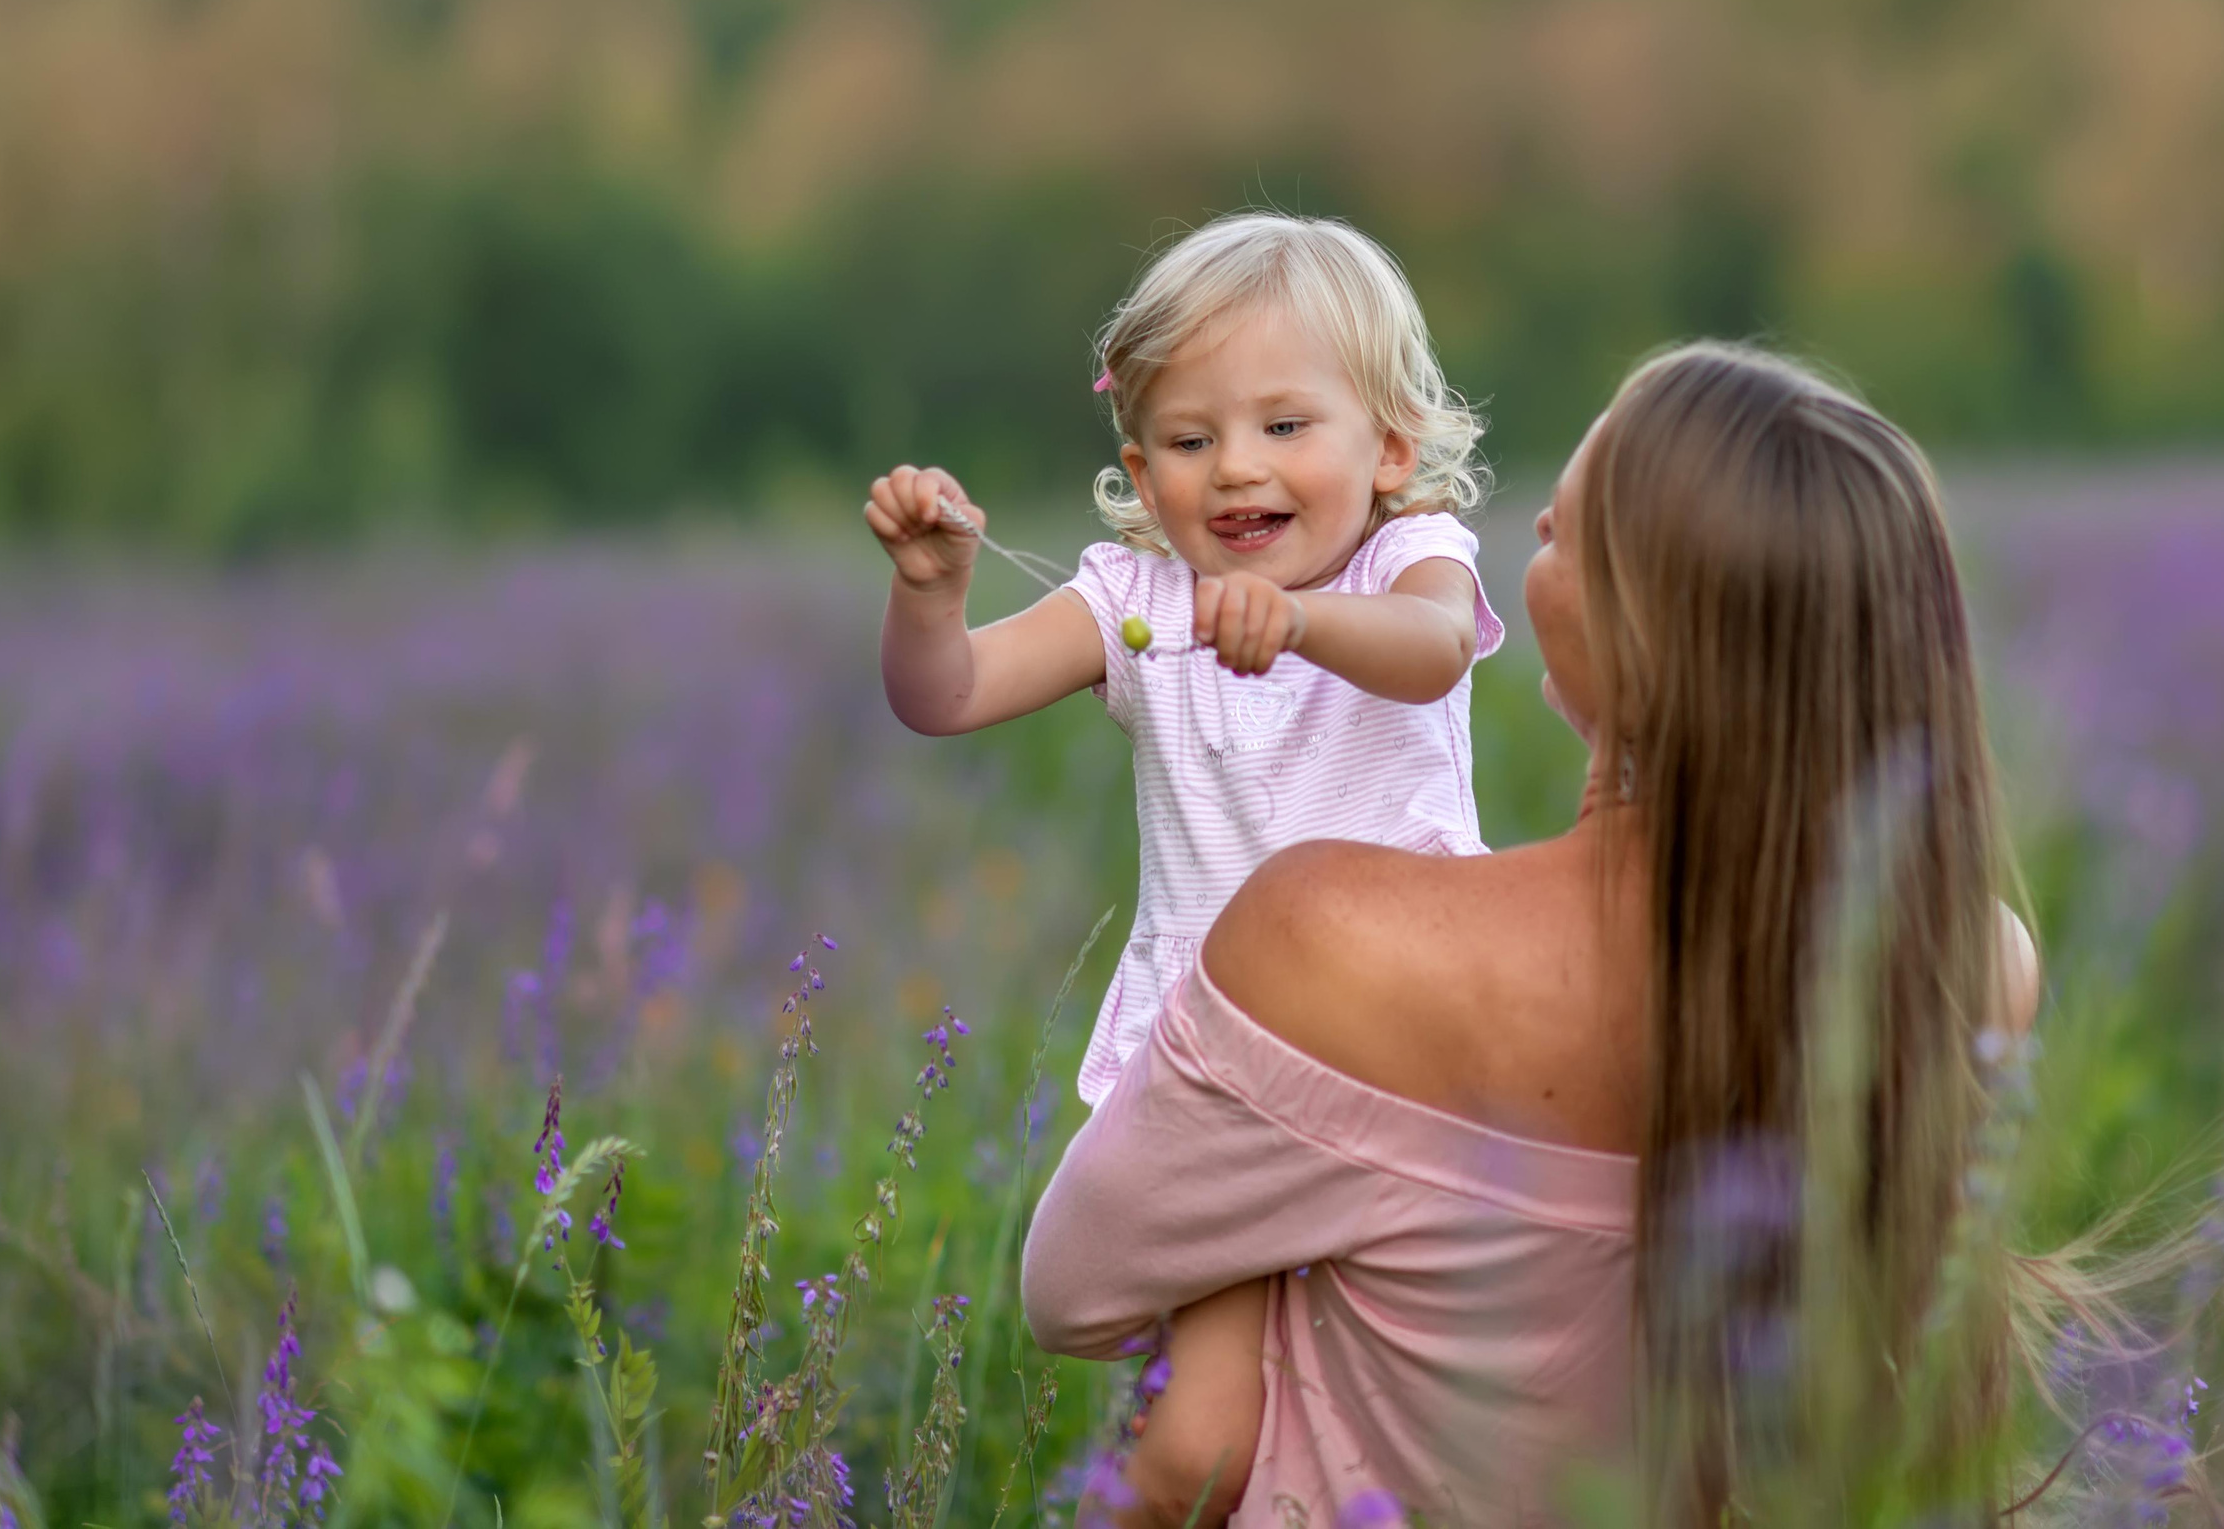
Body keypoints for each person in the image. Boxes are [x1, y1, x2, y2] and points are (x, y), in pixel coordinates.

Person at [1021, 342, 2044, 1526]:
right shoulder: (1965, 966)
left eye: (1566, 529)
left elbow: (1072, 1292)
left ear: (1652, 622)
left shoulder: (1327, 940)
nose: (1537, 533)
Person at [864, 210, 1509, 1461]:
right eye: (1190, 439)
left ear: (1388, 445)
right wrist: (929, 595)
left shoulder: (1407, 561)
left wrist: (1300, 622)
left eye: (1285, 427)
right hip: (1221, 1070)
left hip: (1407, 1052)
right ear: (1140, 464)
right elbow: (944, 698)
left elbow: (1434, 653)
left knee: (1405, 1412)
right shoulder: (1136, 598)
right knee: (1203, 1442)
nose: (1234, 469)